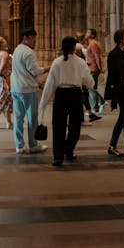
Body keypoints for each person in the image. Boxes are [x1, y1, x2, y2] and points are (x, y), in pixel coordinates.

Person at [39, 36, 94, 166]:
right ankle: (68, 150)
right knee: (75, 127)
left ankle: (58, 157)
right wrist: (90, 84)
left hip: (61, 94)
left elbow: (50, 83)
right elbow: (89, 81)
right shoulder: (80, 62)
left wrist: (43, 102)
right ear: (75, 47)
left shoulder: (57, 62)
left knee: (58, 126)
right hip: (75, 94)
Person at [10, 28, 50, 154]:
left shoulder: (17, 50)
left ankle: (19, 146)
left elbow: (23, 71)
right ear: (26, 38)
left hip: (16, 88)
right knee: (32, 118)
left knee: (18, 118)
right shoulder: (28, 52)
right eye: (33, 39)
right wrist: (49, 68)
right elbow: (34, 71)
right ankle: (33, 145)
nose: (35, 42)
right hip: (28, 90)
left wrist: (37, 82)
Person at [106, 28, 124, 162]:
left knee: (122, 119)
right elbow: (114, 76)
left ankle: (112, 145)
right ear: (120, 39)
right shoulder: (113, 55)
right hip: (119, 91)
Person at [84, 28, 104, 122]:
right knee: (91, 88)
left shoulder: (93, 43)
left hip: (93, 68)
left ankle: (98, 104)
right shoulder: (91, 43)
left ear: (92, 35)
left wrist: (99, 68)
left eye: (88, 32)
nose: (86, 33)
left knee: (91, 89)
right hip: (91, 68)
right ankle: (95, 107)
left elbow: (97, 55)